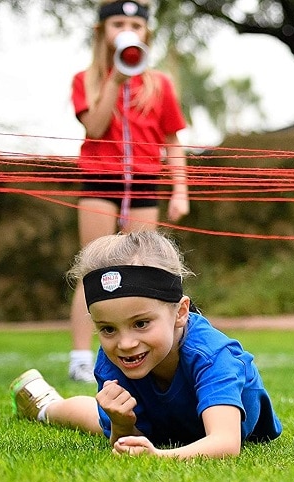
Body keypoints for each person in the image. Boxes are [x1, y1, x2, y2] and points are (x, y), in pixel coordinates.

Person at [10, 231, 282, 459]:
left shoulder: (212, 354)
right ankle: (46, 406)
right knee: (95, 418)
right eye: (108, 328)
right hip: (162, 426)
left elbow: (225, 442)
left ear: (180, 313)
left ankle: (47, 402)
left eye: (141, 323)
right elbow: (130, 441)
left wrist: (159, 456)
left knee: (94, 418)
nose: (125, 343)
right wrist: (121, 423)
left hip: (210, 426)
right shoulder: (112, 358)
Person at [68, 0, 190, 382]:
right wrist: (115, 81)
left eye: (136, 24)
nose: (128, 30)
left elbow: (173, 143)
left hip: (143, 182)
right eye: (118, 22)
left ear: (146, 32)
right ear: (102, 31)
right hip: (100, 181)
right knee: (93, 265)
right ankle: (79, 358)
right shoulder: (84, 80)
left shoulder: (160, 83)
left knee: (147, 267)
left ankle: (160, 350)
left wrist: (180, 191)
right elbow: (95, 127)